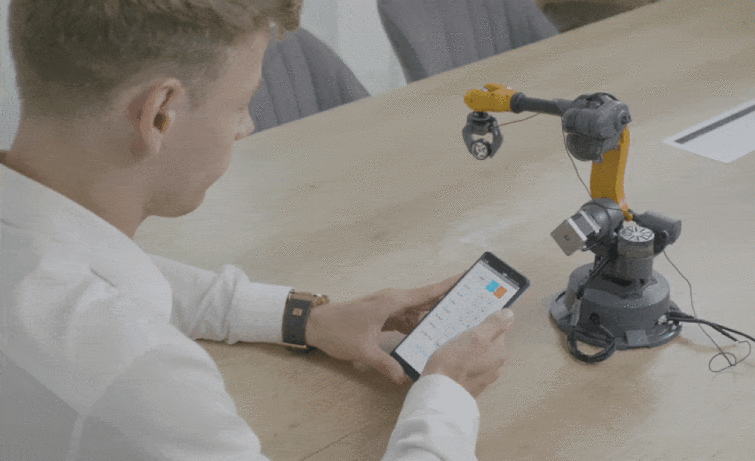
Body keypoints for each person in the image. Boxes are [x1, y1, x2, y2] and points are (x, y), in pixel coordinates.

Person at [0, 1, 515, 460]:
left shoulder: (40, 248)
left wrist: (308, 320)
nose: (246, 127)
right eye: (241, 104)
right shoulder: (140, 375)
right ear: (158, 116)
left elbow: (117, 277)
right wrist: (446, 396)